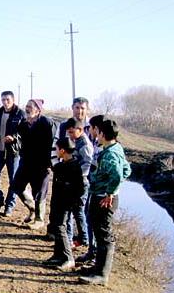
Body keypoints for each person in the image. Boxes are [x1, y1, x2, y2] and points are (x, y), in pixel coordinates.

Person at [79, 120, 131, 286]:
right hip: (101, 195)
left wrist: (110, 193)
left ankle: (102, 274)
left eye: (98, 132)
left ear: (102, 134)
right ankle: (97, 268)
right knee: (100, 232)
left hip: (104, 198)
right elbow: (127, 170)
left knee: (104, 236)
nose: (96, 135)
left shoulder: (110, 154)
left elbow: (117, 174)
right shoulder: (116, 148)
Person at [47, 97, 91, 240]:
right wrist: (55, 165)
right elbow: (55, 146)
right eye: (77, 107)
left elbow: (91, 155)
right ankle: (61, 234)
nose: (80, 111)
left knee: (81, 209)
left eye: (82, 108)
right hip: (63, 172)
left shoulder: (91, 126)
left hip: (83, 176)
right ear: (72, 108)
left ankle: (84, 239)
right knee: (60, 206)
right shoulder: (64, 125)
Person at [10, 99, 57, 229]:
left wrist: (51, 163)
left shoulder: (46, 123)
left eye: (30, 107)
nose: (27, 109)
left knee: (39, 191)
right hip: (26, 162)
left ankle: (39, 219)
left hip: (42, 164)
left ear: (38, 109)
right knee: (17, 186)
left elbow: (53, 143)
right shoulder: (24, 124)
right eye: (26, 106)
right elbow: (18, 136)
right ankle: (32, 208)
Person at [0, 91, 27, 217]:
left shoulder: (20, 115)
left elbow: (24, 133)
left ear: (13, 100)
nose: (5, 102)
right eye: (3, 100)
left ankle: (9, 206)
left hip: (13, 153)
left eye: (8, 99)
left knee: (14, 180)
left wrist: (14, 137)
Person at [44, 137, 85, 271]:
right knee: (56, 227)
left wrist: (71, 202)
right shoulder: (63, 165)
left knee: (61, 228)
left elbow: (79, 189)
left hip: (64, 203)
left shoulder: (73, 167)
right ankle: (58, 255)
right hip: (57, 202)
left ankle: (68, 258)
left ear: (62, 150)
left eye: (56, 149)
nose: (55, 151)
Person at [76, 114, 105, 265]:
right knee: (89, 217)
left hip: (101, 192)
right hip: (92, 188)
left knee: (98, 224)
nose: (89, 131)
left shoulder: (104, 148)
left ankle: (96, 257)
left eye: (91, 128)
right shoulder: (96, 143)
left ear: (96, 128)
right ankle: (91, 251)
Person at [64, 118, 94, 249]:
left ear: (80, 130)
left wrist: (76, 176)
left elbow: (88, 163)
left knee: (78, 212)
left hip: (80, 182)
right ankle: (71, 238)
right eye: (68, 133)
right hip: (74, 181)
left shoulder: (85, 144)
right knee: (72, 211)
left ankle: (84, 239)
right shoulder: (76, 141)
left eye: (71, 132)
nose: (69, 135)